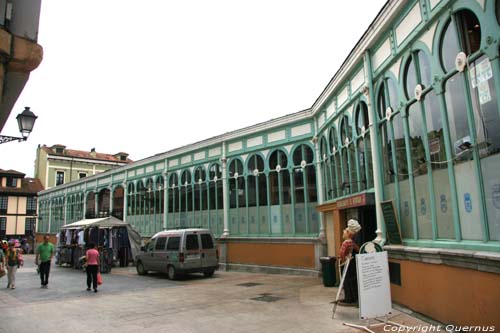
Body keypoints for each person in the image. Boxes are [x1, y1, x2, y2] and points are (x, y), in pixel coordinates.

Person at [338, 219, 361, 306]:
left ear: (349, 234)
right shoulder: (352, 243)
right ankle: (353, 297)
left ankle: (349, 298)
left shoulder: (345, 243)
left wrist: (342, 259)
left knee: (346, 280)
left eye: (345, 231)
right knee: (352, 279)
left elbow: (341, 253)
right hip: (351, 261)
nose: (343, 232)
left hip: (346, 263)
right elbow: (358, 249)